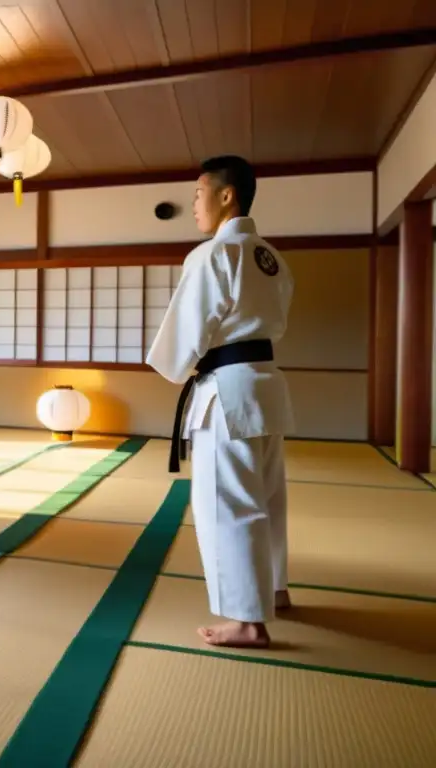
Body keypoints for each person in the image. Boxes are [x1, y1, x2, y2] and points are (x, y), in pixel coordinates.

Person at [146, 155, 295, 649]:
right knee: (268, 497)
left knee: (228, 503)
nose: (193, 205)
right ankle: (274, 588)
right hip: (265, 385)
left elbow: (188, 331)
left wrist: (172, 365)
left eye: (197, 193)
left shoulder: (213, 255)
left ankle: (249, 620)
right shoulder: (271, 258)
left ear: (226, 195)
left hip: (227, 393)